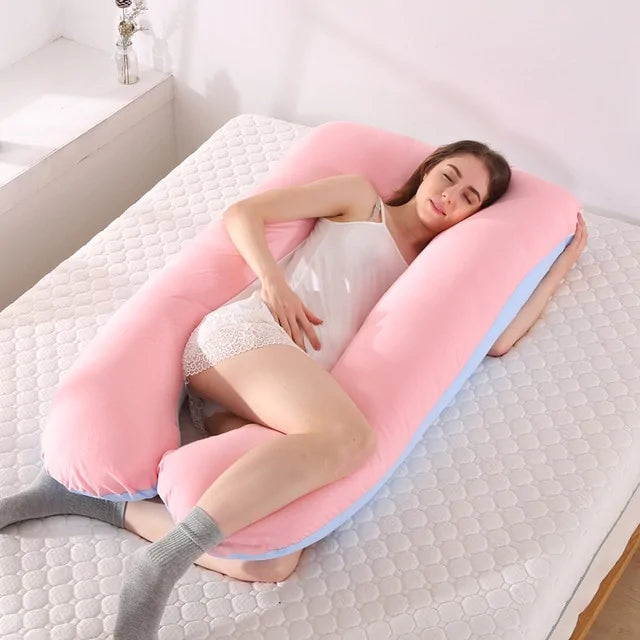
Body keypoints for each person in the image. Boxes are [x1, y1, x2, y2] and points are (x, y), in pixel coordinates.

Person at [0, 140, 588, 639]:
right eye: (449, 176)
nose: (451, 196)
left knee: (273, 560)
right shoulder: (361, 200)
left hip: (271, 402)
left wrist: (565, 258)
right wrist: (273, 283)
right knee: (351, 437)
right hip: (245, 337)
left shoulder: (434, 273)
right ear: (427, 170)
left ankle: (106, 507)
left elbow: (497, 340)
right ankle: (161, 564)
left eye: (470, 198)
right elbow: (244, 213)